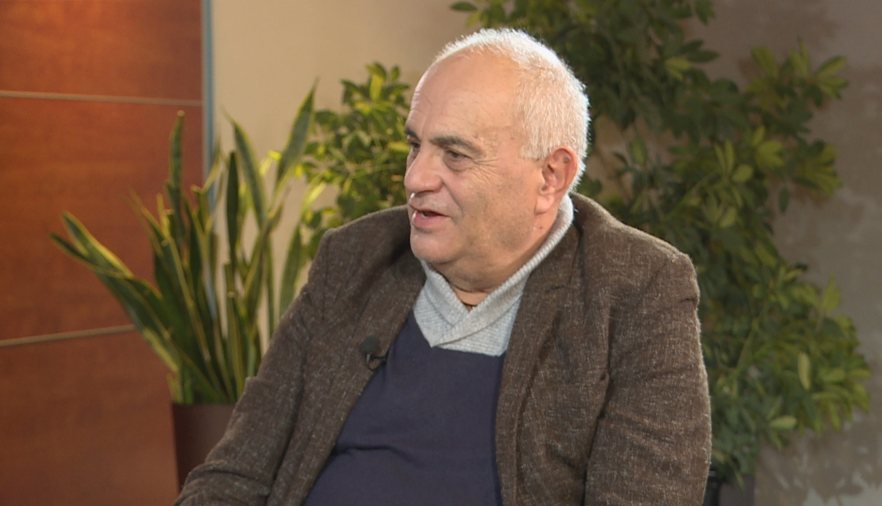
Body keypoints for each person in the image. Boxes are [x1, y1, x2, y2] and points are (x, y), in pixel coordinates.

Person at [176, 28, 711, 505]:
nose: (415, 178)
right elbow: (234, 476)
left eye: (455, 155)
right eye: (415, 145)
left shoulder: (636, 288)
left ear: (550, 177)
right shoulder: (355, 257)